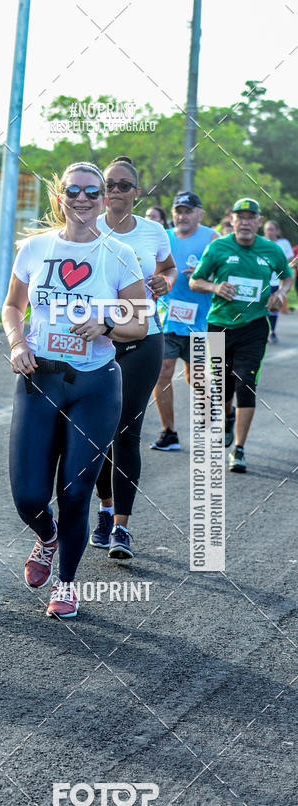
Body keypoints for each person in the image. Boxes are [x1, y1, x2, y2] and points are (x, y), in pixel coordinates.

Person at [2, 160, 147, 618]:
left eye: (92, 192)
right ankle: (46, 536)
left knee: (76, 490)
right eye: (74, 191)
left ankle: (66, 584)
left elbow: (140, 321)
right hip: (40, 379)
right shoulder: (35, 248)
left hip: (95, 384)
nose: (82, 199)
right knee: (27, 495)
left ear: (104, 199)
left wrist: (107, 324)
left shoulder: (120, 253)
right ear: (59, 196)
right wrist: (17, 342)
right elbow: (11, 306)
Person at [89, 156, 177, 560]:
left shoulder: (153, 231)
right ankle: (104, 512)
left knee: (126, 430)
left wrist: (165, 280)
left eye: (125, 185)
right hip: (97, 338)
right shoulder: (87, 229)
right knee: (97, 432)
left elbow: (170, 269)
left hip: (145, 336)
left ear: (136, 193)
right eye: (110, 184)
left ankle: (121, 527)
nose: (116, 191)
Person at [189, 198, 292, 472]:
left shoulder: (270, 250)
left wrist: (280, 293)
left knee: (245, 382)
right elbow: (194, 280)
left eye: (251, 217)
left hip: (254, 326)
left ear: (258, 221)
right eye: (240, 217)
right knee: (223, 386)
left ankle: (239, 449)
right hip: (220, 324)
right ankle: (228, 416)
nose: (245, 222)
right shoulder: (218, 247)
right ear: (232, 220)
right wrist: (215, 288)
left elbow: (287, 276)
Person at [151, 191, 219, 450]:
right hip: (167, 319)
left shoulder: (212, 238)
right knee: (162, 374)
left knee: (196, 377)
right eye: (178, 210)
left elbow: (225, 274)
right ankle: (169, 433)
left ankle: (213, 418)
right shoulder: (164, 238)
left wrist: (206, 276)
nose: (182, 216)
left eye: (188, 211)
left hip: (199, 321)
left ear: (199, 213)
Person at [263, 220, 293, 343]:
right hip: (263, 282)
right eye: (267, 229)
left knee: (274, 308)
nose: (269, 232)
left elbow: (290, 259)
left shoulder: (283, 243)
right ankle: (262, 333)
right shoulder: (260, 242)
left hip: (277, 282)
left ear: (277, 231)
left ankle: (272, 332)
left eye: (272, 229)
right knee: (262, 309)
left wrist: (281, 266)